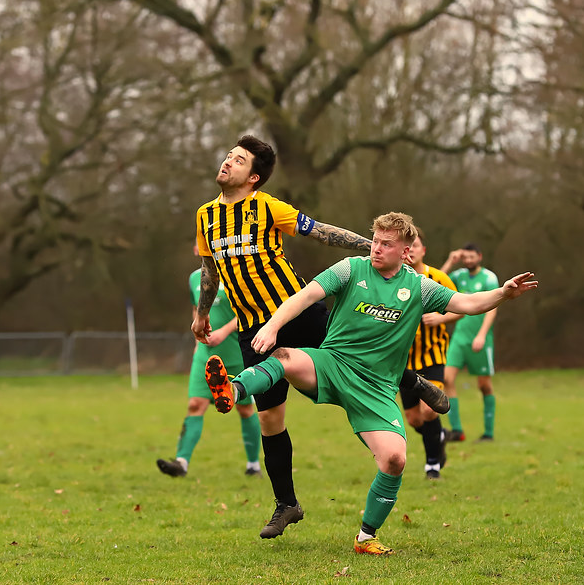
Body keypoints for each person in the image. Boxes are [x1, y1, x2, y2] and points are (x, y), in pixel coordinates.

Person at [203, 212, 538, 555]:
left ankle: (366, 537)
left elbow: (466, 303)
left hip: (377, 388)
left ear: (405, 251)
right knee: (284, 357)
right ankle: (233, 390)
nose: (376, 248)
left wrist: (503, 293)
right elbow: (305, 296)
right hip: (333, 364)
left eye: (386, 244)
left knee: (394, 460)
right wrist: (273, 325)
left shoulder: (419, 287)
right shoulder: (350, 269)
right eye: (375, 241)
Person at [192, 136, 449, 540]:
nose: (227, 162)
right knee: (270, 420)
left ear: (253, 177)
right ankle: (286, 505)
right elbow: (210, 269)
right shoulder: (205, 216)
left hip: (296, 311)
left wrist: (375, 248)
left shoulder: (267, 206)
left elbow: (322, 232)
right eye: (228, 156)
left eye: (238, 160)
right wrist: (202, 312)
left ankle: (414, 383)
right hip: (253, 326)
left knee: (354, 356)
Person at [157, 245, 262, 478]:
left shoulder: (239, 275)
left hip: (236, 353)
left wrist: (224, 331)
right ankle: (181, 463)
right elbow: (197, 310)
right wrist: (197, 342)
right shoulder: (194, 278)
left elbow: (250, 312)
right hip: (204, 355)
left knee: (245, 408)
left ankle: (253, 465)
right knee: (195, 404)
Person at [399, 228, 463, 479]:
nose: (411, 250)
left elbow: (462, 307)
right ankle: (440, 436)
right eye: (408, 246)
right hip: (403, 360)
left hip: (433, 356)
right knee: (414, 419)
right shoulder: (392, 278)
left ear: (423, 250)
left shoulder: (438, 278)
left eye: (416, 245)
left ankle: (432, 465)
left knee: (429, 411)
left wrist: (440, 318)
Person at [440, 243, 501, 442]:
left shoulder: (489, 278)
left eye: (471, 257)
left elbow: (493, 308)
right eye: (465, 257)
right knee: (446, 379)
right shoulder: (458, 276)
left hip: (480, 338)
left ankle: (489, 433)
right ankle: (457, 431)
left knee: (484, 385)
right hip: (459, 337)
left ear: (479, 256)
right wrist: (450, 262)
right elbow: (434, 283)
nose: (468, 260)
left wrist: (482, 335)